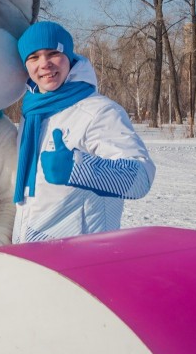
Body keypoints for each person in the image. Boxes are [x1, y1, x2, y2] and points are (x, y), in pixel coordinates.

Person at [12, 21, 156, 244]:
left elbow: (141, 178)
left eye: (53, 53)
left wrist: (78, 168)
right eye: (34, 57)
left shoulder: (99, 111)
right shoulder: (31, 114)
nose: (44, 64)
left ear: (69, 56)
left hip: (82, 255)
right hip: (34, 254)